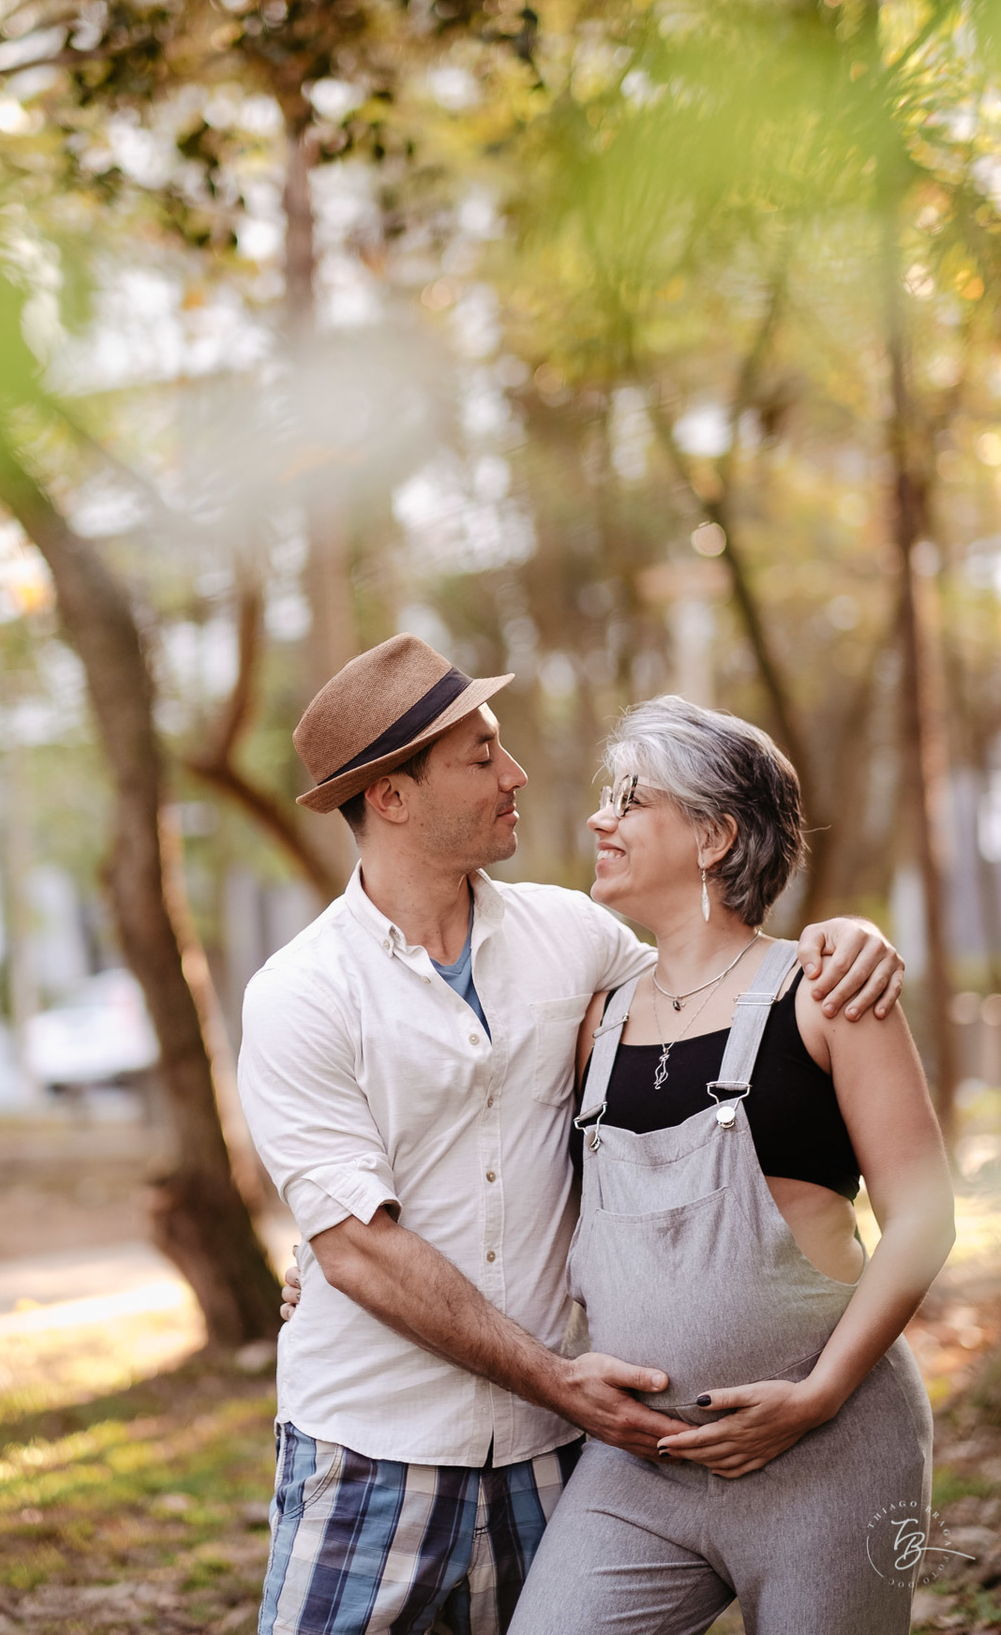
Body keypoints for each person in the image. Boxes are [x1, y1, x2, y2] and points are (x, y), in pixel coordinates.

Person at [238, 636, 904, 1635]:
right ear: (391, 796)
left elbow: (718, 986)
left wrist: (846, 937)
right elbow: (361, 1249)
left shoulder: (575, 939)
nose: (516, 776)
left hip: (556, 1451)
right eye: (481, 757)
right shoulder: (300, 994)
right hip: (379, 1444)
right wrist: (329, 1244)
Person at [507, 697, 953, 1635]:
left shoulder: (828, 994)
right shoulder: (599, 1018)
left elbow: (923, 1217)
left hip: (833, 1457)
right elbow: (497, 1171)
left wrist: (816, 1397)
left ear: (714, 836)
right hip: (640, 1474)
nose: (600, 819)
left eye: (630, 800)